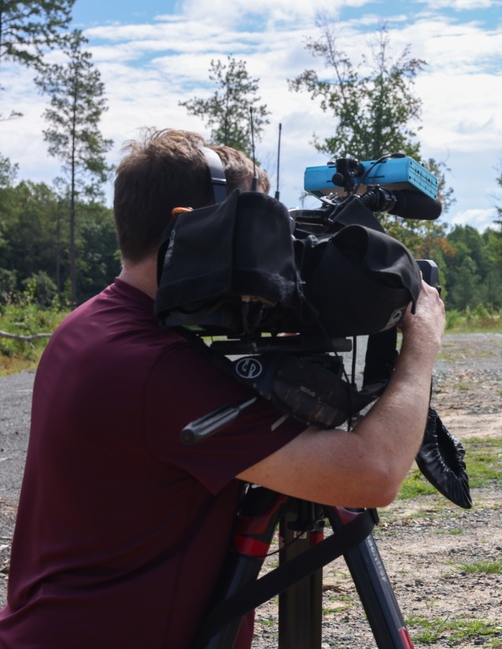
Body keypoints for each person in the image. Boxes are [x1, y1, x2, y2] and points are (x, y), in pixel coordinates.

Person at [0, 128, 446, 648]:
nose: (274, 252)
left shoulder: (91, 326)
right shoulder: (154, 366)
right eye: (256, 225)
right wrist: (421, 344)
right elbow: (372, 476)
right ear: (189, 227)